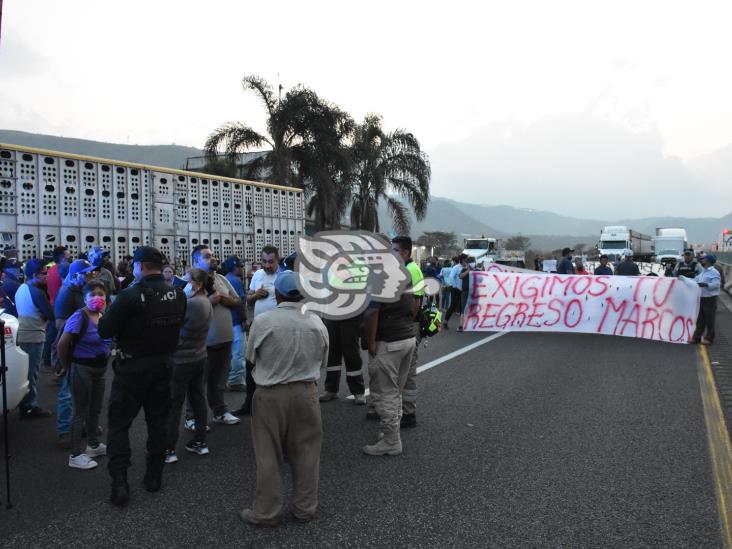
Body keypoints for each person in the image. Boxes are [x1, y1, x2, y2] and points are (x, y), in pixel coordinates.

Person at [239, 270, 329, 527]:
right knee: (308, 453)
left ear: (277, 293)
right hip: (306, 393)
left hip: (270, 394)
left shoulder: (265, 321)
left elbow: (250, 358)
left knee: (268, 454)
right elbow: (323, 361)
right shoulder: (316, 322)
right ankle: (305, 508)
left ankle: (267, 512)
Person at [98, 246, 186, 506]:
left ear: (141, 266)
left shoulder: (130, 295)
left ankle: (120, 482)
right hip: (165, 366)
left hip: (132, 369)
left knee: (119, 424)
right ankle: (154, 476)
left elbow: (104, 330)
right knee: (158, 422)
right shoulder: (179, 294)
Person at [362, 257, 417, 456]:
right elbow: (414, 305)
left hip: (389, 342)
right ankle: (390, 433)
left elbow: (371, 313)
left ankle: (392, 441)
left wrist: (371, 342)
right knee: (395, 392)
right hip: (407, 338)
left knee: (384, 393)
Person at [184, 245, 241, 430]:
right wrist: (210, 301)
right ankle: (191, 418)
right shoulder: (190, 284)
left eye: (213, 255)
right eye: (207, 256)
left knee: (219, 382)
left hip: (225, 339)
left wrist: (222, 299)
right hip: (203, 343)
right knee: (197, 384)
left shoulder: (221, 278)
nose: (213, 258)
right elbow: (186, 310)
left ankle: (219, 411)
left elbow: (237, 300)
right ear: (196, 262)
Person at [57, 281, 112, 470]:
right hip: (82, 368)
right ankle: (75, 454)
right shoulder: (79, 317)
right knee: (80, 411)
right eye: (93, 294)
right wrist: (66, 367)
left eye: (101, 294)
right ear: (85, 297)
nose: (98, 297)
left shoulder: (102, 315)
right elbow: (62, 345)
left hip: (100, 370)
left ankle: (93, 445)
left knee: (95, 408)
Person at [166, 268, 213, 464]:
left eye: (186, 281)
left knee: (174, 404)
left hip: (182, 359)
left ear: (198, 284)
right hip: (199, 356)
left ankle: (168, 448)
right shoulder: (206, 301)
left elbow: (176, 328)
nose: (183, 284)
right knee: (198, 399)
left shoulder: (193, 303)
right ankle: (199, 441)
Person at [54, 259, 99, 445]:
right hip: (71, 350)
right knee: (67, 393)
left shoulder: (80, 291)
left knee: (84, 391)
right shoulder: (66, 294)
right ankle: (65, 430)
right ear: (75, 275)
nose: (90, 276)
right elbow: (60, 326)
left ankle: (84, 426)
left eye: (91, 273)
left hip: (83, 351)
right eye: (86, 274)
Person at [233, 246, 279, 416]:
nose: (267, 265)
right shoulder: (258, 275)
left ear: (278, 260)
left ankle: (274, 406)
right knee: (251, 364)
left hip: (276, 328)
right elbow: (249, 300)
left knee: (274, 366)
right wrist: (255, 295)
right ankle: (249, 404)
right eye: (264, 261)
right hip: (257, 325)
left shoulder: (283, 276)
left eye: (271, 262)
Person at [15, 259, 54, 418]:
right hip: (35, 335)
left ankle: (25, 403)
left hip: (23, 334)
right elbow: (51, 315)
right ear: (34, 274)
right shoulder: (37, 293)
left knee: (26, 372)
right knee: (32, 372)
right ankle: (29, 405)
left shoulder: (21, 288)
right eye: (44, 273)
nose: (46, 276)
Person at [392, 236, 423, 428]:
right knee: (399, 370)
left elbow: (416, 303)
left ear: (404, 252)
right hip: (404, 325)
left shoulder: (412, 270)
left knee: (408, 370)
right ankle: (399, 409)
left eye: (394, 250)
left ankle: (409, 412)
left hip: (409, 326)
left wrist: (405, 322)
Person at [223, 256, 247, 392]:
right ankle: (236, 380)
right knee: (238, 353)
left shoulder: (223, 278)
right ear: (235, 267)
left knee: (229, 353)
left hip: (226, 322)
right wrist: (244, 320)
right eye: (240, 266)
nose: (242, 269)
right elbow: (240, 303)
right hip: (236, 321)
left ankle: (228, 378)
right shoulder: (236, 281)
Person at [691, 254, 721, 345]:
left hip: (710, 299)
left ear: (708, 261)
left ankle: (709, 338)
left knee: (709, 320)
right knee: (700, 320)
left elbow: (716, 285)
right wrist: (685, 280)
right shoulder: (703, 272)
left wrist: (706, 285)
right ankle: (696, 338)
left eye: (704, 259)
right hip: (702, 298)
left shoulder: (714, 272)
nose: (702, 260)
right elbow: (695, 280)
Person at [443, 255, 465, 330]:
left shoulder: (466, 268)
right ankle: (445, 322)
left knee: (463, 307)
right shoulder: (456, 267)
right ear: (461, 260)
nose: (466, 262)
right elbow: (451, 277)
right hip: (455, 289)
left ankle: (462, 325)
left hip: (463, 290)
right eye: (465, 260)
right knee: (453, 306)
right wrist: (455, 286)